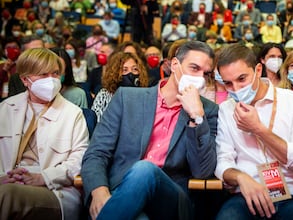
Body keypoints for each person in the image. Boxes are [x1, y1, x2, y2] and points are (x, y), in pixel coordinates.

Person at [81, 41, 218, 220]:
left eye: (206, 73)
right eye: (194, 68)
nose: (200, 77)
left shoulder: (208, 111)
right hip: (122, 191)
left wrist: (196, 117)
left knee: (145, 169)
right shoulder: (127, 98)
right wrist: (99, 191)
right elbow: (96, 153)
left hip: (171, 199)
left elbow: (202, 171)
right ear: (175, 65)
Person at [214, 44, 293, 220]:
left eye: (242, 79)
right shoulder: (226, 109)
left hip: (291, 195)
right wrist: (241, 178)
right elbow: (223, 160)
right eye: (228, 83)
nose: (235, 89)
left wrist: (258, 129)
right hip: (245, 196)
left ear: (258, 70)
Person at [0, 48, 89, 219]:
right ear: (25, 79)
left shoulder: (73, 114)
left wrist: (43, 178)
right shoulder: (5, 109)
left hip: (54, 190)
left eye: (55, 74)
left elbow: (79, 160)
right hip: (8, 181)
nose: (51, 80)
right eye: (43, 75)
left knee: (6, 195)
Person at [91, 51, 149, 122]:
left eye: (135, 69)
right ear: (115, 73)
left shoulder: (147, 95)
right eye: (125, 70)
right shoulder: (104, 95)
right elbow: (97, 121)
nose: (130, 73)